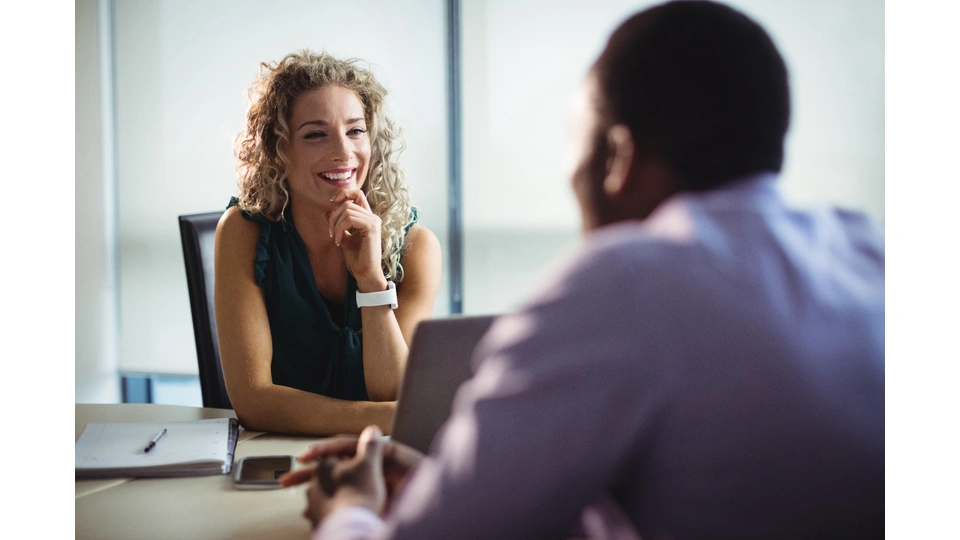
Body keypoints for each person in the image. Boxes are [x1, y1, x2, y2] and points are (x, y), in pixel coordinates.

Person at [282, 1, 885, 538]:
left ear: (617, 156)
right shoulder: (871, 255)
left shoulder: (624, 282)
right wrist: (457, 481)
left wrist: (352, 511)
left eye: (574, 142)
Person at [214, 51, 442, 436]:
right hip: (273, 455)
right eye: (316, 134)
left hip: (377, 462)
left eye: (355, 130)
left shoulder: (416, 248)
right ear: (278, 149)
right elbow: (254, 400)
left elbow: (395, 390)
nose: (343, 152)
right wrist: (388, 418)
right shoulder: (243, 232)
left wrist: (371, 280)